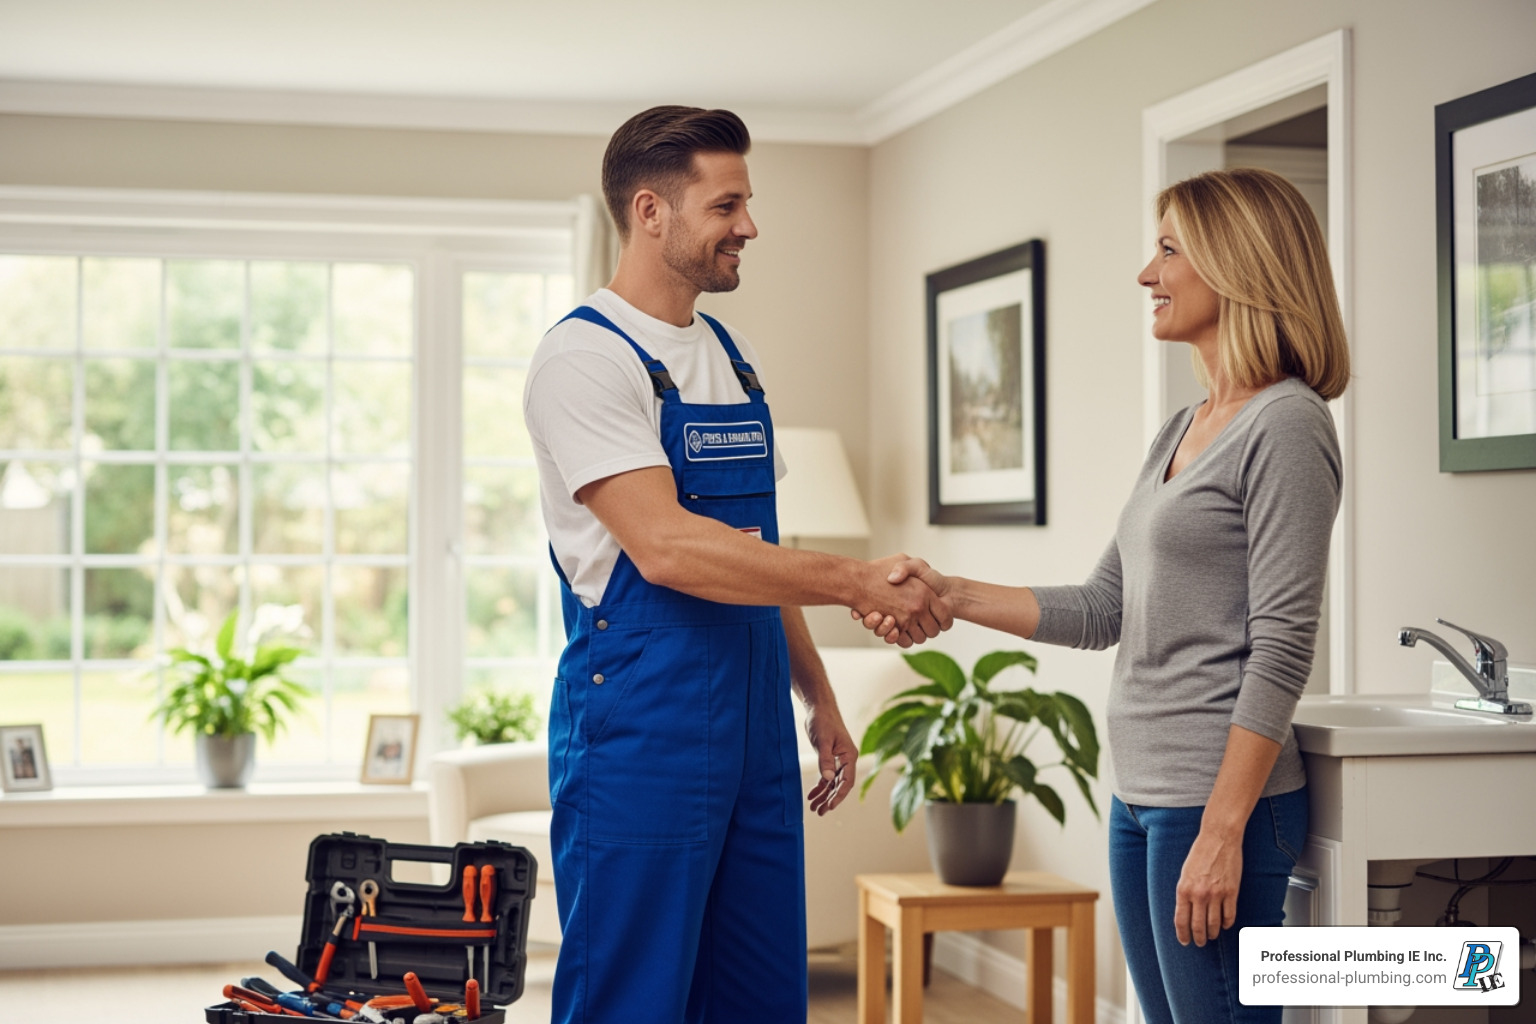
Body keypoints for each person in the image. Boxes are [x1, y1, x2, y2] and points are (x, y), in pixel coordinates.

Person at [857, 167, 1349, 1024]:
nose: (1145, 274)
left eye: (1168, 250)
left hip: (1210, 803)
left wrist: (1222, 831)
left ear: (1238, 264)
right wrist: (951, 591)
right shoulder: (1184, 428)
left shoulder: (1288, 424)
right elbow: (1101, 608)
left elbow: (1281, 647)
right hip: (1139, 795)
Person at [522, 105, 951, 1024]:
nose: (749, 227)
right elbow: (669, 548)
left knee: (759, 997)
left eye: (746, 204)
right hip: (643, 728)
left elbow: (755, 553)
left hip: (756, 731)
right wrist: (853, 581)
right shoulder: (583, 359)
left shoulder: (731, 354)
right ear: (651, 211)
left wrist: (817, 694)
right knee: (631, 1000)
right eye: (727, 206)